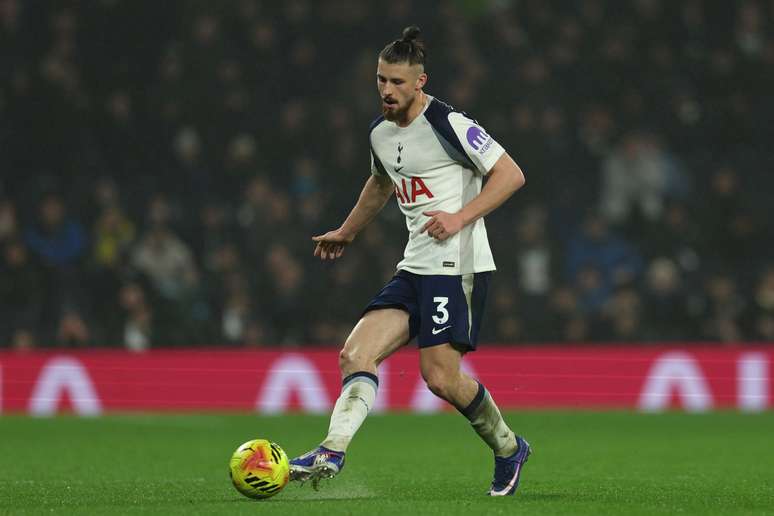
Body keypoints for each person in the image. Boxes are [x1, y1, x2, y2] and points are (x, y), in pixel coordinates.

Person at [289, 26, 529, 497]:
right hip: (415, 266)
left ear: (420, 82)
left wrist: (460, 217)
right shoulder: (380, 133)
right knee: (354, 354)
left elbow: (511, 174)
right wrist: (347, 231)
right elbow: (381, 183)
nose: (387, 90)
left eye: (397, 82)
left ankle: (508, 447)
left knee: (439, 379)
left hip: (457, 265)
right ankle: (332, 449)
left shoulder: (449, 124)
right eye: (381, 80)